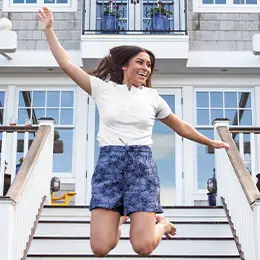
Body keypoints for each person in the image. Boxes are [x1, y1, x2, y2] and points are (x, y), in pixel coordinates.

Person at [37, 7, 230, 257]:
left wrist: (209, 142)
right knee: (100, 248)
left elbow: (180, 126)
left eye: (149, 65)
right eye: (140, 62)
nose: (146, 68)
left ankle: (162, 225)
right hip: (109, 164)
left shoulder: (152, 97)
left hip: (141, 166)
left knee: (143, 247)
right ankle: (120, 218)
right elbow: (66, 63)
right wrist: (49, 31)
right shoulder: (102, 89)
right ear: (124, 66)